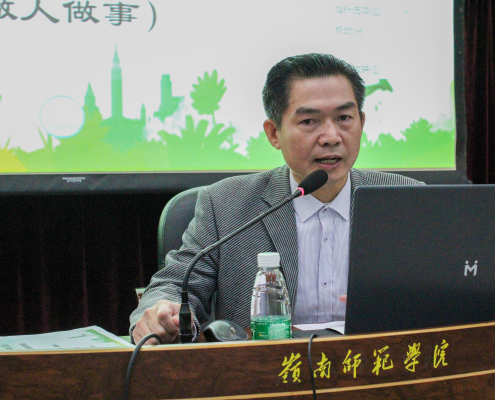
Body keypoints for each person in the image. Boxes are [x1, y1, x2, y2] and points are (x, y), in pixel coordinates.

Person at [129, 53, 424, 344]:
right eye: (309, 121)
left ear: (361, 122)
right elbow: (175, 285)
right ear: (274, 133)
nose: (331, 136)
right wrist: (161, 312)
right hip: (264, 369)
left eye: (344, 118)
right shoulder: (225, 204)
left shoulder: (408, 200)